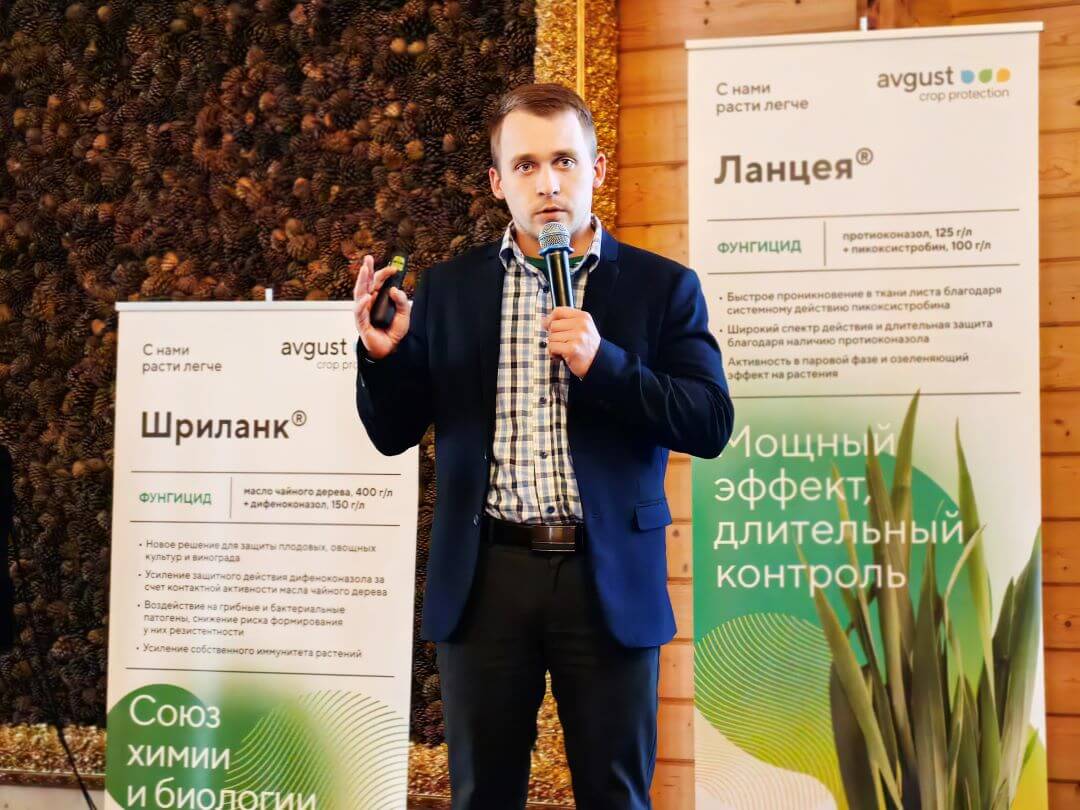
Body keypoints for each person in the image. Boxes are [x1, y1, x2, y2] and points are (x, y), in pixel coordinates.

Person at [353, 83, 733, 809]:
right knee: (482, 796)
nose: (548, 182)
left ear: (597, 168)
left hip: (607, 578)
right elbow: (391, 432)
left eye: (564, 160)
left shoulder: (661, 288)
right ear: (498, 182)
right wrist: (383, 359)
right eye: (525, 165)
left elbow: (709, 423)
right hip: (486, 578)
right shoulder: (450, 290)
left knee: (615, 796)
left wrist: (605, 364)